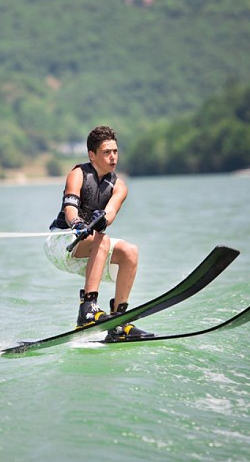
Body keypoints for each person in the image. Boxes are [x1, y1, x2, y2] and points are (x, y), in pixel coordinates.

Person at [44, 125, 153, 341]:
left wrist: (102, 218)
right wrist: (76, 222)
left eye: (115, 151)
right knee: (102, 240)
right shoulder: (78, 174)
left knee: (130, 252)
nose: (113, 157)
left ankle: (119, 322)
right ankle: (88, 309)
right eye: (106, 152)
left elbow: (110, 212)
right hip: (61, 242)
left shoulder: (119, 186)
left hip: (92, 247)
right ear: (92, 155)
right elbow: (70, 209)